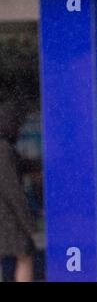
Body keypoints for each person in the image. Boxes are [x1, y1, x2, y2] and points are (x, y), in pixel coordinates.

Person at [0, 98, 36, 282]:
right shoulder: (4, 150)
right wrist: (29, 222)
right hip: (6, 218)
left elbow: (22, 165)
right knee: (25, 253)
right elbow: (13, 191)